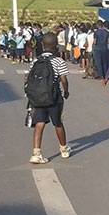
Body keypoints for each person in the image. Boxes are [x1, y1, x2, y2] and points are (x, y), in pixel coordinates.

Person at [27, 33, 71, 164]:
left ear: (42, 45)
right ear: (56, 46)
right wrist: (66, 91)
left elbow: (29, 77)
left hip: (38, 97)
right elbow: (63, 79)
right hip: (53, 97)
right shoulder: (58, 61)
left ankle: (36, 153)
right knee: (58, 123)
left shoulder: (36, 60)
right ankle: (63, 149)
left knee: (39, 124)